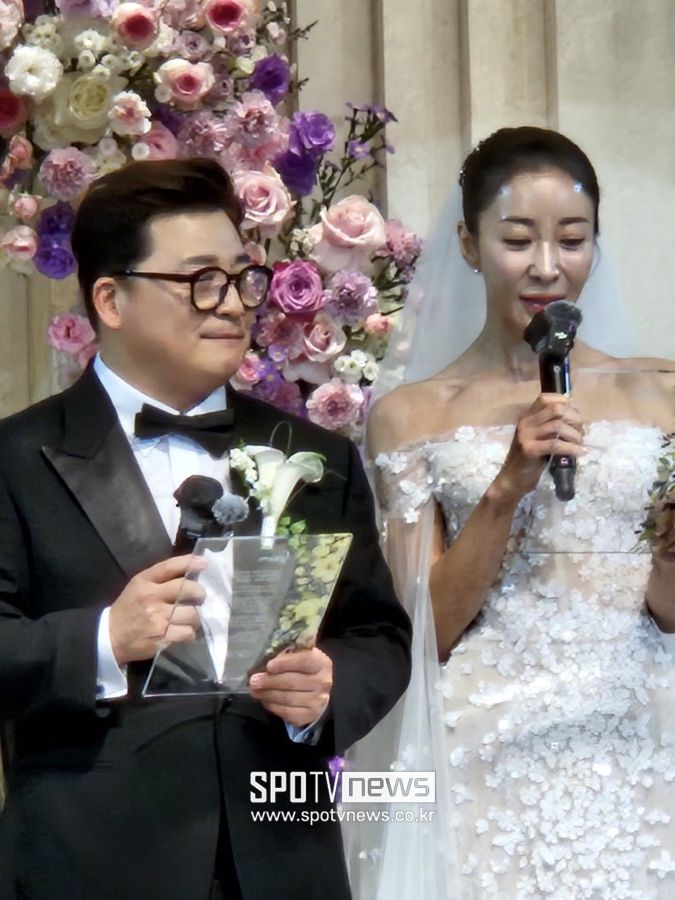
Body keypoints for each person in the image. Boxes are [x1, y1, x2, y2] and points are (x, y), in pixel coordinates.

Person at [0, 158, 411, 900]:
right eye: (200, 281)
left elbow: (378, 634)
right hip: (91, 862)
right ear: (111, 299)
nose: (231, 305)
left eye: (241, 278)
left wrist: (328, 687)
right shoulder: (16, 458)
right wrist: (103, 638)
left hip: (283, 860)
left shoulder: (317, 457)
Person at [358, 127, 675, 898]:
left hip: (641, 737)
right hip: (486, 749)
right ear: (469, 244)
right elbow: (423, 630)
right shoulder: (412, 415)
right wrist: (506, 486)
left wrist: (669, 554)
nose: (545, 266)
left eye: (571, 239)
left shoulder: (660, 393)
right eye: (516, 239)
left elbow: (666, 611)